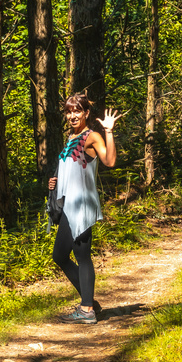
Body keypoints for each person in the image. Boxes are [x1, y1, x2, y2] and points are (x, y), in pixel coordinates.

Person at [48, 93, 121, 324]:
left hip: (82, 205)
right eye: (69, 112)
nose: (72, 116)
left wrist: (108, 131)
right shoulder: (71, 137)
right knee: (59, 255)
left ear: (86, 113)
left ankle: (87, 309)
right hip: (69, 203)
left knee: (82, 255)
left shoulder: (92, 136)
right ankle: (88, 301)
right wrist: (55, 182)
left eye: (77, 111)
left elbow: (109, 161)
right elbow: (72, 170)